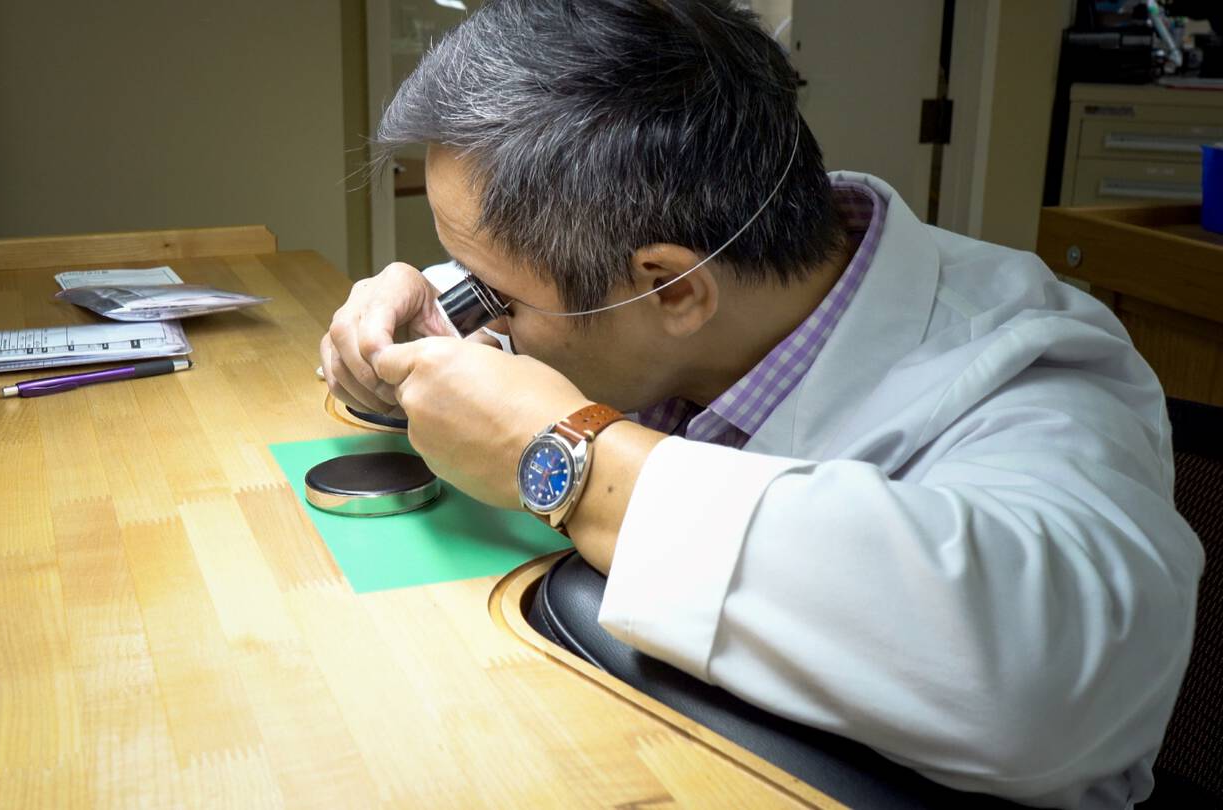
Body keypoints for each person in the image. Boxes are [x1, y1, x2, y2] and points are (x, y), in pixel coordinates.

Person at [318, 1, 1202, 807]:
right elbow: (558, 304)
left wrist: (561, 453)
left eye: (492, 292)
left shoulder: (1038, 370)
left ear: (670, 292)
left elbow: (1046, 686)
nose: (478, 309)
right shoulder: (711, 246)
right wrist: (414, 319)